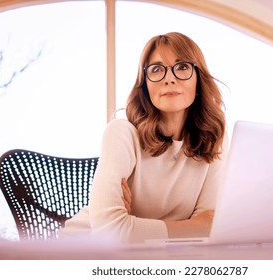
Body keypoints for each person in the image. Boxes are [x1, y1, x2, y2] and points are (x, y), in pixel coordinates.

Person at [58, 32, 228, 243]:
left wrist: (134, 225)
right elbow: (110, 233)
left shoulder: (214, 139)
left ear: (199, 78)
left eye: (182, 67)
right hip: (81, 250)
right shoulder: (121, 133)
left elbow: (208, 227)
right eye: (157, 69)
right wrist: (192, 228)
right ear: (145, 85)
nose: (169, 78)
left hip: (155, 257)